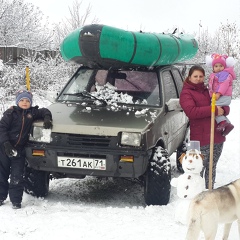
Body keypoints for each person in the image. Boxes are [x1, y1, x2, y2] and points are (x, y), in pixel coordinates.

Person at [0, 90, 53, 209]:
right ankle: (0, 197)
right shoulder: (10, 113)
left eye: (27, 101)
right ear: (17, 101)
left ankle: (16, 201)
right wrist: (6, 144)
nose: (24, 103)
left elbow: (45, 111)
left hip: (19, 151)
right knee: (2, 175)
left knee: (17, 176)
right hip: (4, 148)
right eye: (22, 100)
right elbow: (2, 129)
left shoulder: (32, 112)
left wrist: (47, 118)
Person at [179, 65, 229, 189]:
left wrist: (224, 109)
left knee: (212, 167)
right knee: (197, 168)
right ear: (189, 77)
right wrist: (214, 110)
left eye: (201, 76)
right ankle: (196, 193)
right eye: (195, 76)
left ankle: (209, 192)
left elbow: (222, 104)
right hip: (199, 138)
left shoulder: (210, 90)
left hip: (216, 135)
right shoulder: (186, 93)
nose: (198, 79)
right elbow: (192, 112)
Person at [206, 53, 236, 136]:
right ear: (213, 67)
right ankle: (228, 125)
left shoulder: (224, 74)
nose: (218, 68)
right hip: (221, 96)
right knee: (216, 110)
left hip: (223, 96)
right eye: (216, 66)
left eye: (220, 66)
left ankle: (222, 122)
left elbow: (224, 84)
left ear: (224, 66)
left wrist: (219, 93)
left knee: (214, 109)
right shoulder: (216, 75)